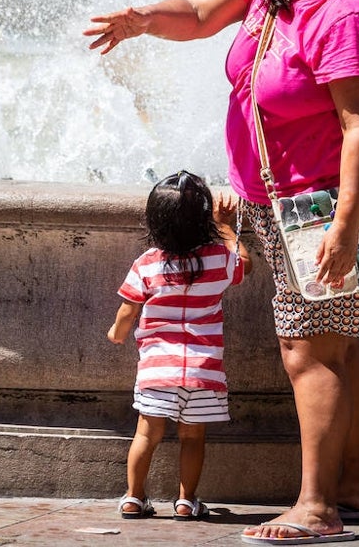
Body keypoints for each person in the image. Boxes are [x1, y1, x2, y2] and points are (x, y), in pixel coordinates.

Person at [85, 0, 359, 543]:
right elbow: (200, 15)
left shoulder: (347, 18)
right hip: (274, 196)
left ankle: (318, 508)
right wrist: (143, 20)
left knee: (307, 351)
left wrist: (346, 226)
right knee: (337, 347)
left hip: (327, 200)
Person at [107, 171, 251, 521]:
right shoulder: (218, 259)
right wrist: (227, 227)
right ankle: (186, 500)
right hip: (204, 370)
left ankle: (133, 496)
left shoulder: (147, 264)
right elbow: (244, 264)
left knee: (146, 433)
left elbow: (128, 311)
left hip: (159, 368)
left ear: (154, 220)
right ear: (203, 218)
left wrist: (117, 332)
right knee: (192, 438)